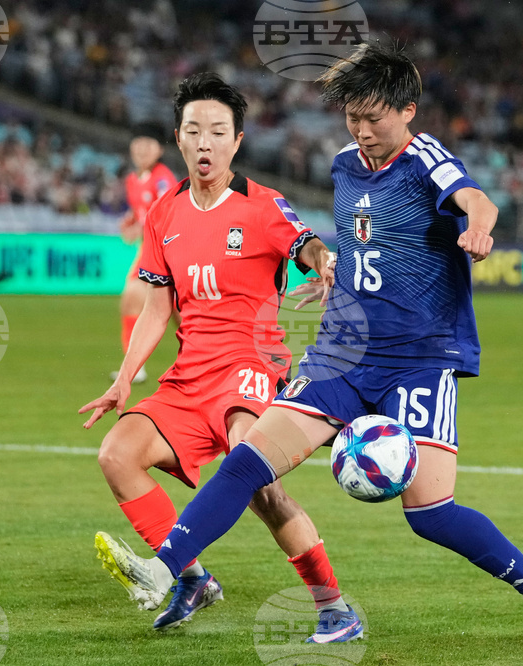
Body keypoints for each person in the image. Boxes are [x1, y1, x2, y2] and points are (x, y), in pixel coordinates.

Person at [93, 43, 523, 653]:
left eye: (374, 117)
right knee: (248, 463)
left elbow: (476, 197)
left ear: (407, 112)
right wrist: (336, 277)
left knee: (429, 513)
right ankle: (168, 570)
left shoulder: (426, 158)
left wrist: (478, 225)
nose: (363, 130)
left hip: (419, 358)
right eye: (353, 116)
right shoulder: (345, 163)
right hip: (343, 351)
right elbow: (360, 241)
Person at [79, 73, 362, 642]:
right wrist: (125, 381)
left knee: (256, 479)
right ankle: (193, 578)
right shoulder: (164, 215)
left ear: (236, 142)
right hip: (189, 376)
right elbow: (158, 309)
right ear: (178, 139)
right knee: (117, 454)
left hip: (252, 366)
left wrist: (325, 261)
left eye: (217, 132)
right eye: (193, 131)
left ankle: (334, 608)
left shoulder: (262, 206)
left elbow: (304, 244)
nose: (204, 142)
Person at [111, 130, 178, 384]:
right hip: (149, 250)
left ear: (159, 151)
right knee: (132, 301)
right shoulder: (132, 179)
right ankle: (134, 367)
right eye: (137, 144)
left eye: (148, 145)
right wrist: (130, 220)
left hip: (166, 252)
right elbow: (139, 210)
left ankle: (209, 363)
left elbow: (165, 211)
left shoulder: (163, 179)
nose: (142, 150)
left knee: (181, 315)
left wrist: (140, 227)